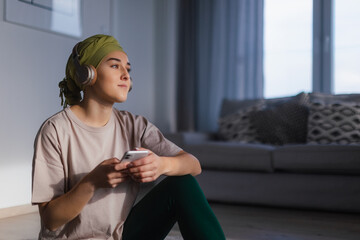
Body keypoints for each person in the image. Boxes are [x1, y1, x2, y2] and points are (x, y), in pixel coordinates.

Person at [32, 34, 225, 240]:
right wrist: (91, 182)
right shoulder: (55, 130)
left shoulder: (135, 125)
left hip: (120, 236)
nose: (126, 75)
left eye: (128, 69)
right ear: (87, 74)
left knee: (182, 184)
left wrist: (160, 164)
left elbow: (193, 165)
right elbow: (50, 219)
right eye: (115, 66)